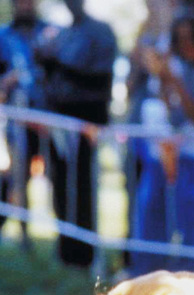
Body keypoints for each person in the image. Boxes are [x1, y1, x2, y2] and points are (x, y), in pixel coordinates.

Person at [127, 15, 194, 277]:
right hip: (164, 153)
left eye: (191, 38)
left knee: (190, 217)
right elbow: (170, 110)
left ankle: (189, 272)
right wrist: (164, 78)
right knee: (154, 210)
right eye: (180, 39)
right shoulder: (171, 68)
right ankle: (150, 270)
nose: (186, 45)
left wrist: (172, 79)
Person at [35, 0, 116, 267]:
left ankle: (86, 252)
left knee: (83, 186)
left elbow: (99, 79)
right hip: (60, 119)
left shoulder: (100, 31)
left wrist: (58, 64)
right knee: (61, 185)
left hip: (86, 122)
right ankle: (67, 249)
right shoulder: (63, 33)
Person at [0, 0, 49, 245]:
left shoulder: (49, 32)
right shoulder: (3, 36)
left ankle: (64, 237)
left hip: (50, 120)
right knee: (17, 177)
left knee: (57, 176)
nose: (26, 6)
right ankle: (23, 233)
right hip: (17, 122)